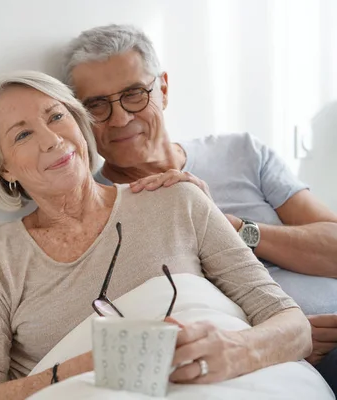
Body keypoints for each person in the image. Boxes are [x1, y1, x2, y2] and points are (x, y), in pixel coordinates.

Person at [0, 70, 314, 400]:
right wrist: (81, 368)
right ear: (5, 167)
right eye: (23, 134)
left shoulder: (176, 199)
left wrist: (238, 350)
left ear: (79, 125)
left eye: (56, 116)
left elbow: (294, 327)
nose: (51, 139)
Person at [63, 23, 337, 392]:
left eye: (134, 94)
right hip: (283, 360)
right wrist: (285, 337)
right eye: (96, 105)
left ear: (162, 88)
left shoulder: (242, 151)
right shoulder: (98, 208)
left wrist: (231, 228)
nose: (120, 118)